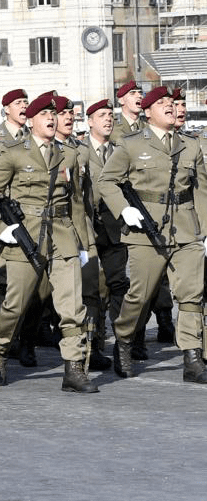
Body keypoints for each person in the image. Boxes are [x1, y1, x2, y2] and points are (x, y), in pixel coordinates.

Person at [0, 92, 96, 392]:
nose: (52, 119)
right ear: (30, 120)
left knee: (71, 305)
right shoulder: (14, 153)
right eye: (45, 115)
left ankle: (73, 367)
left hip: (62, 234)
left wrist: (83, 243)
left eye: (54, 114)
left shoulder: (69, 154)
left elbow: (76, 202)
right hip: (25, 236)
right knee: (15, 305)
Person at [98, 86, 207, 383]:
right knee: (140, 295)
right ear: (148, 112)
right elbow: (106, 181)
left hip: (186, 230)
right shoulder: (131, 145)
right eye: (162, 103)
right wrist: (123, 210)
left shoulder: (191, 144)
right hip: (145, 231)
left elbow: (201, 191)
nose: (170, 107)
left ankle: (192, 358)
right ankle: (123, 341)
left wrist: (204, 230)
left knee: (191, 295)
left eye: (171, 103)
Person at [76, 99, 125, 371]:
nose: (108, 120)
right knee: (92, 291)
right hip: (90, 230)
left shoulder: (120, 151)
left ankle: (122, 342)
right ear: (90, 121)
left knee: (119, 286)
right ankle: (92, 345)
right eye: (102, 115)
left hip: (116, 230)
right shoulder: (79, 152)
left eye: (110, 115)